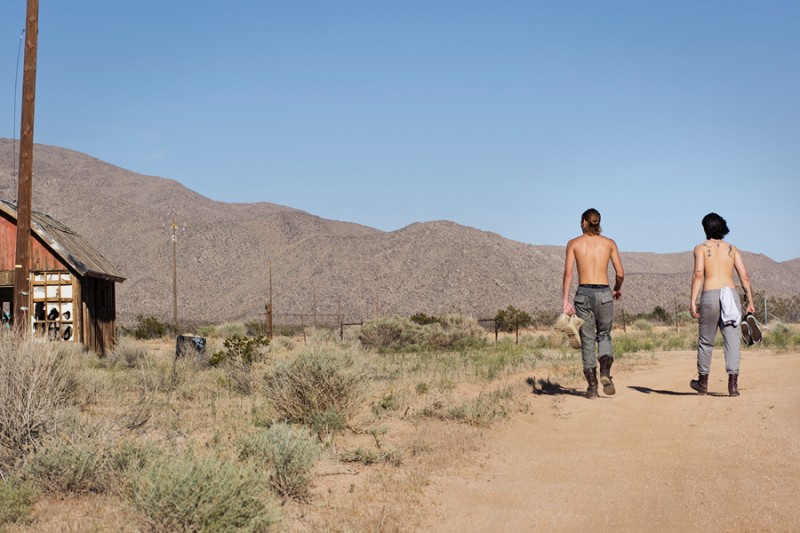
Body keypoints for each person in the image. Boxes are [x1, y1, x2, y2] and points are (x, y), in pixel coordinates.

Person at [689, 213, 755, 397]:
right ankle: (733, 385)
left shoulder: (700, 248)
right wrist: (750, 300)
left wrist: (693, 301)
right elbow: (745, 276)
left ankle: (702, 382)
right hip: (730, 295)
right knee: (732, 340)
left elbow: (699, 274)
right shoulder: (732, 249)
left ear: (705, 228)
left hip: (710, 295)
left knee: (706, 341)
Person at [562, 208, 625, 399]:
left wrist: (565, 300)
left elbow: (568, 274)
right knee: (604, 335)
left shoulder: (574, 244)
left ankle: (592, 388)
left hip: (583, 294)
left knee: (587, 339)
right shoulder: (609, 243)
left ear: (584, 222)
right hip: (605, 292)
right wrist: (616, 288)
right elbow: (620, 273)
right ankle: (605, 371)